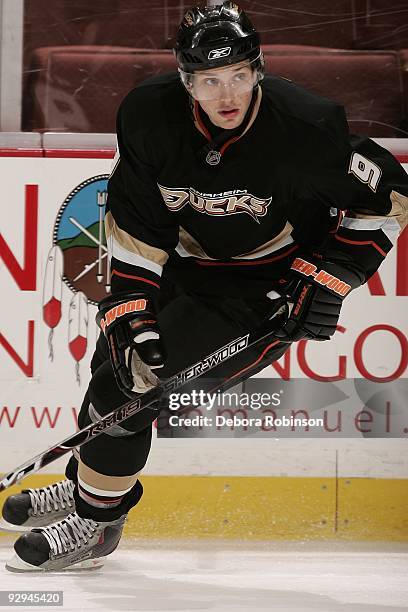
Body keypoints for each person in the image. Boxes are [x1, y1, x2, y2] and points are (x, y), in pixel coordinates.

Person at [2, 1, 407, 572]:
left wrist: (330, 277)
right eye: (210, 80)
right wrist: (132, 310)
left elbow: (390, 196)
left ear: (258, 69)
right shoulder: (149, 115)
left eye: (240, 75)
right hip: (181, 266)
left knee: (134, 394)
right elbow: (136, 224)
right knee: (117, 366)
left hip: (261, 290)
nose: (227, 95)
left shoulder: (306, 126)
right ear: (186, 80)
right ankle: (90, 485)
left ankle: (97, 524)